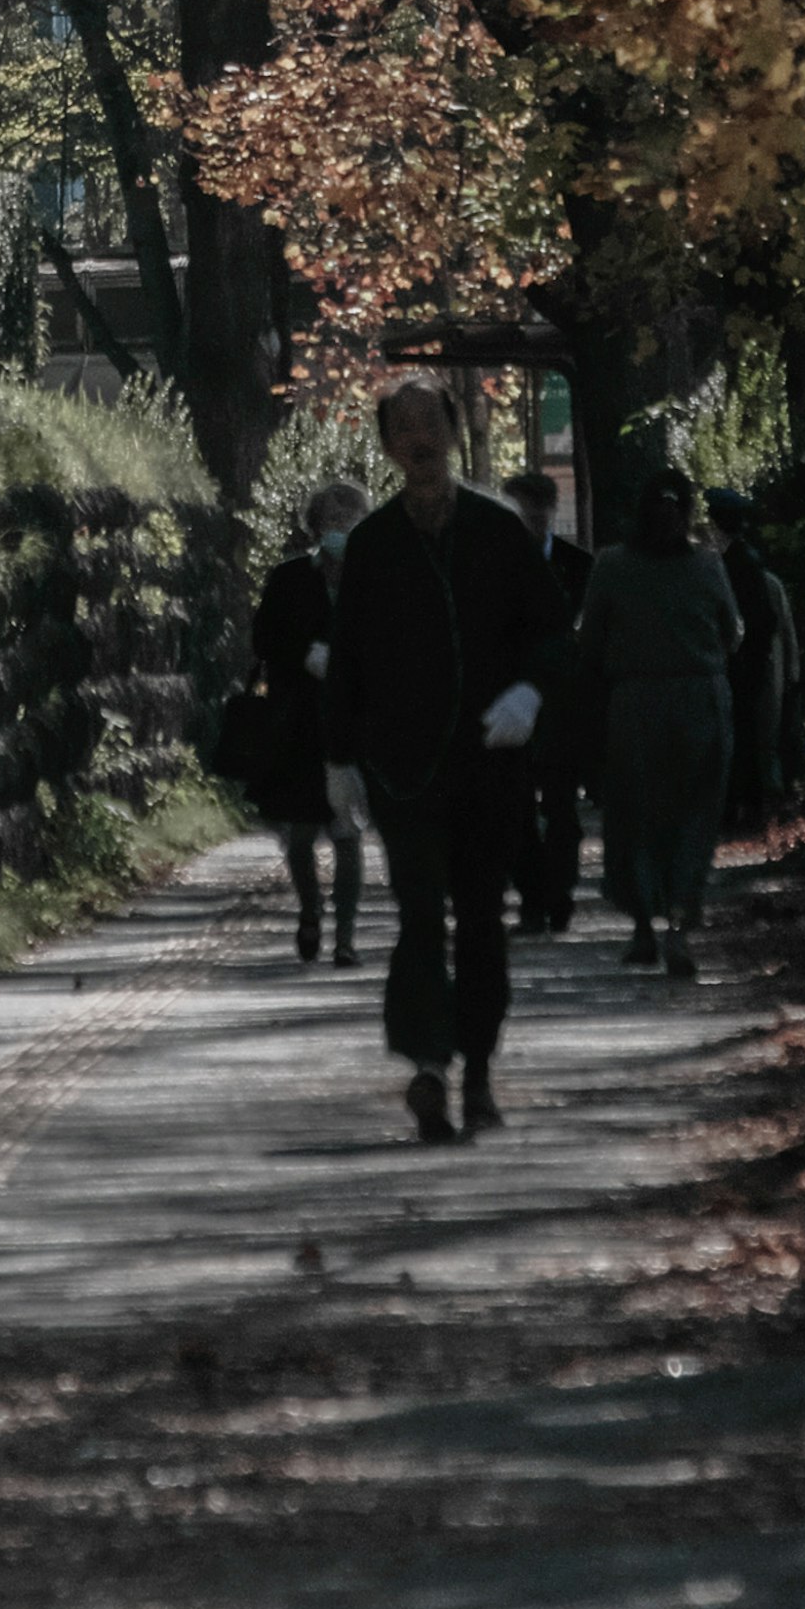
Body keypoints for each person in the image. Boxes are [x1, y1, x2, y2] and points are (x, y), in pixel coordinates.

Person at [321, 377, 575, 1143]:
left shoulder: (500, 531)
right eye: (404, 428)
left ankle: (482, 1072)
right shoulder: (371, 547)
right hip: (404, 773)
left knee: (482, 924)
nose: (420, 440)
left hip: (489, 766)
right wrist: (339, 760)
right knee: (421, 915)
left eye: (431, 423)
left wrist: (530, 693)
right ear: (387, 445)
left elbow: (554, 633)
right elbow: (348, 663)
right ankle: (430, 1063)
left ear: (455, 432)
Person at [572, 478, 743, 985]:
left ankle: (644, 924)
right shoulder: (708, 564)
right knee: (695, 816)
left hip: (635, 706)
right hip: (699, 701)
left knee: (635, 818)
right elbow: (732, 632)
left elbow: (590, 641)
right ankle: (679, 924)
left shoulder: (612, 566)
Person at [245, 475, 369, 962]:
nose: (341, 528)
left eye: (351, 519)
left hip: (349, 726)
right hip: (296, 724)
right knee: (299, 835)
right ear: (315, 526)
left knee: (347, 832)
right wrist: (304, 655)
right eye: (332, 519)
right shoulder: (289, 578)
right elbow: (263, 640)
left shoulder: (374, 579)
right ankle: (311, 910)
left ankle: (345, 939)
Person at [505, 462, 597, 935]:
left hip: (562, 705)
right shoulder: (493, 564)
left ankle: (559, 892)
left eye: (538, 513)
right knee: (516, 809)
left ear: (550, 511)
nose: (531, 521)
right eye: (522, 513)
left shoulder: (580, 566)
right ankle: (532, 898)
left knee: (560, 808)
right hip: (508, 703)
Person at [707, 484, 805, 838]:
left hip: (744, 667)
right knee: (756, 741)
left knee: (746, 740)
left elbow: (758, 624)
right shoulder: (749, 565)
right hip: (755, 666)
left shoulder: (734, 566)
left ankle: (747, 810)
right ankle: (752, 808)